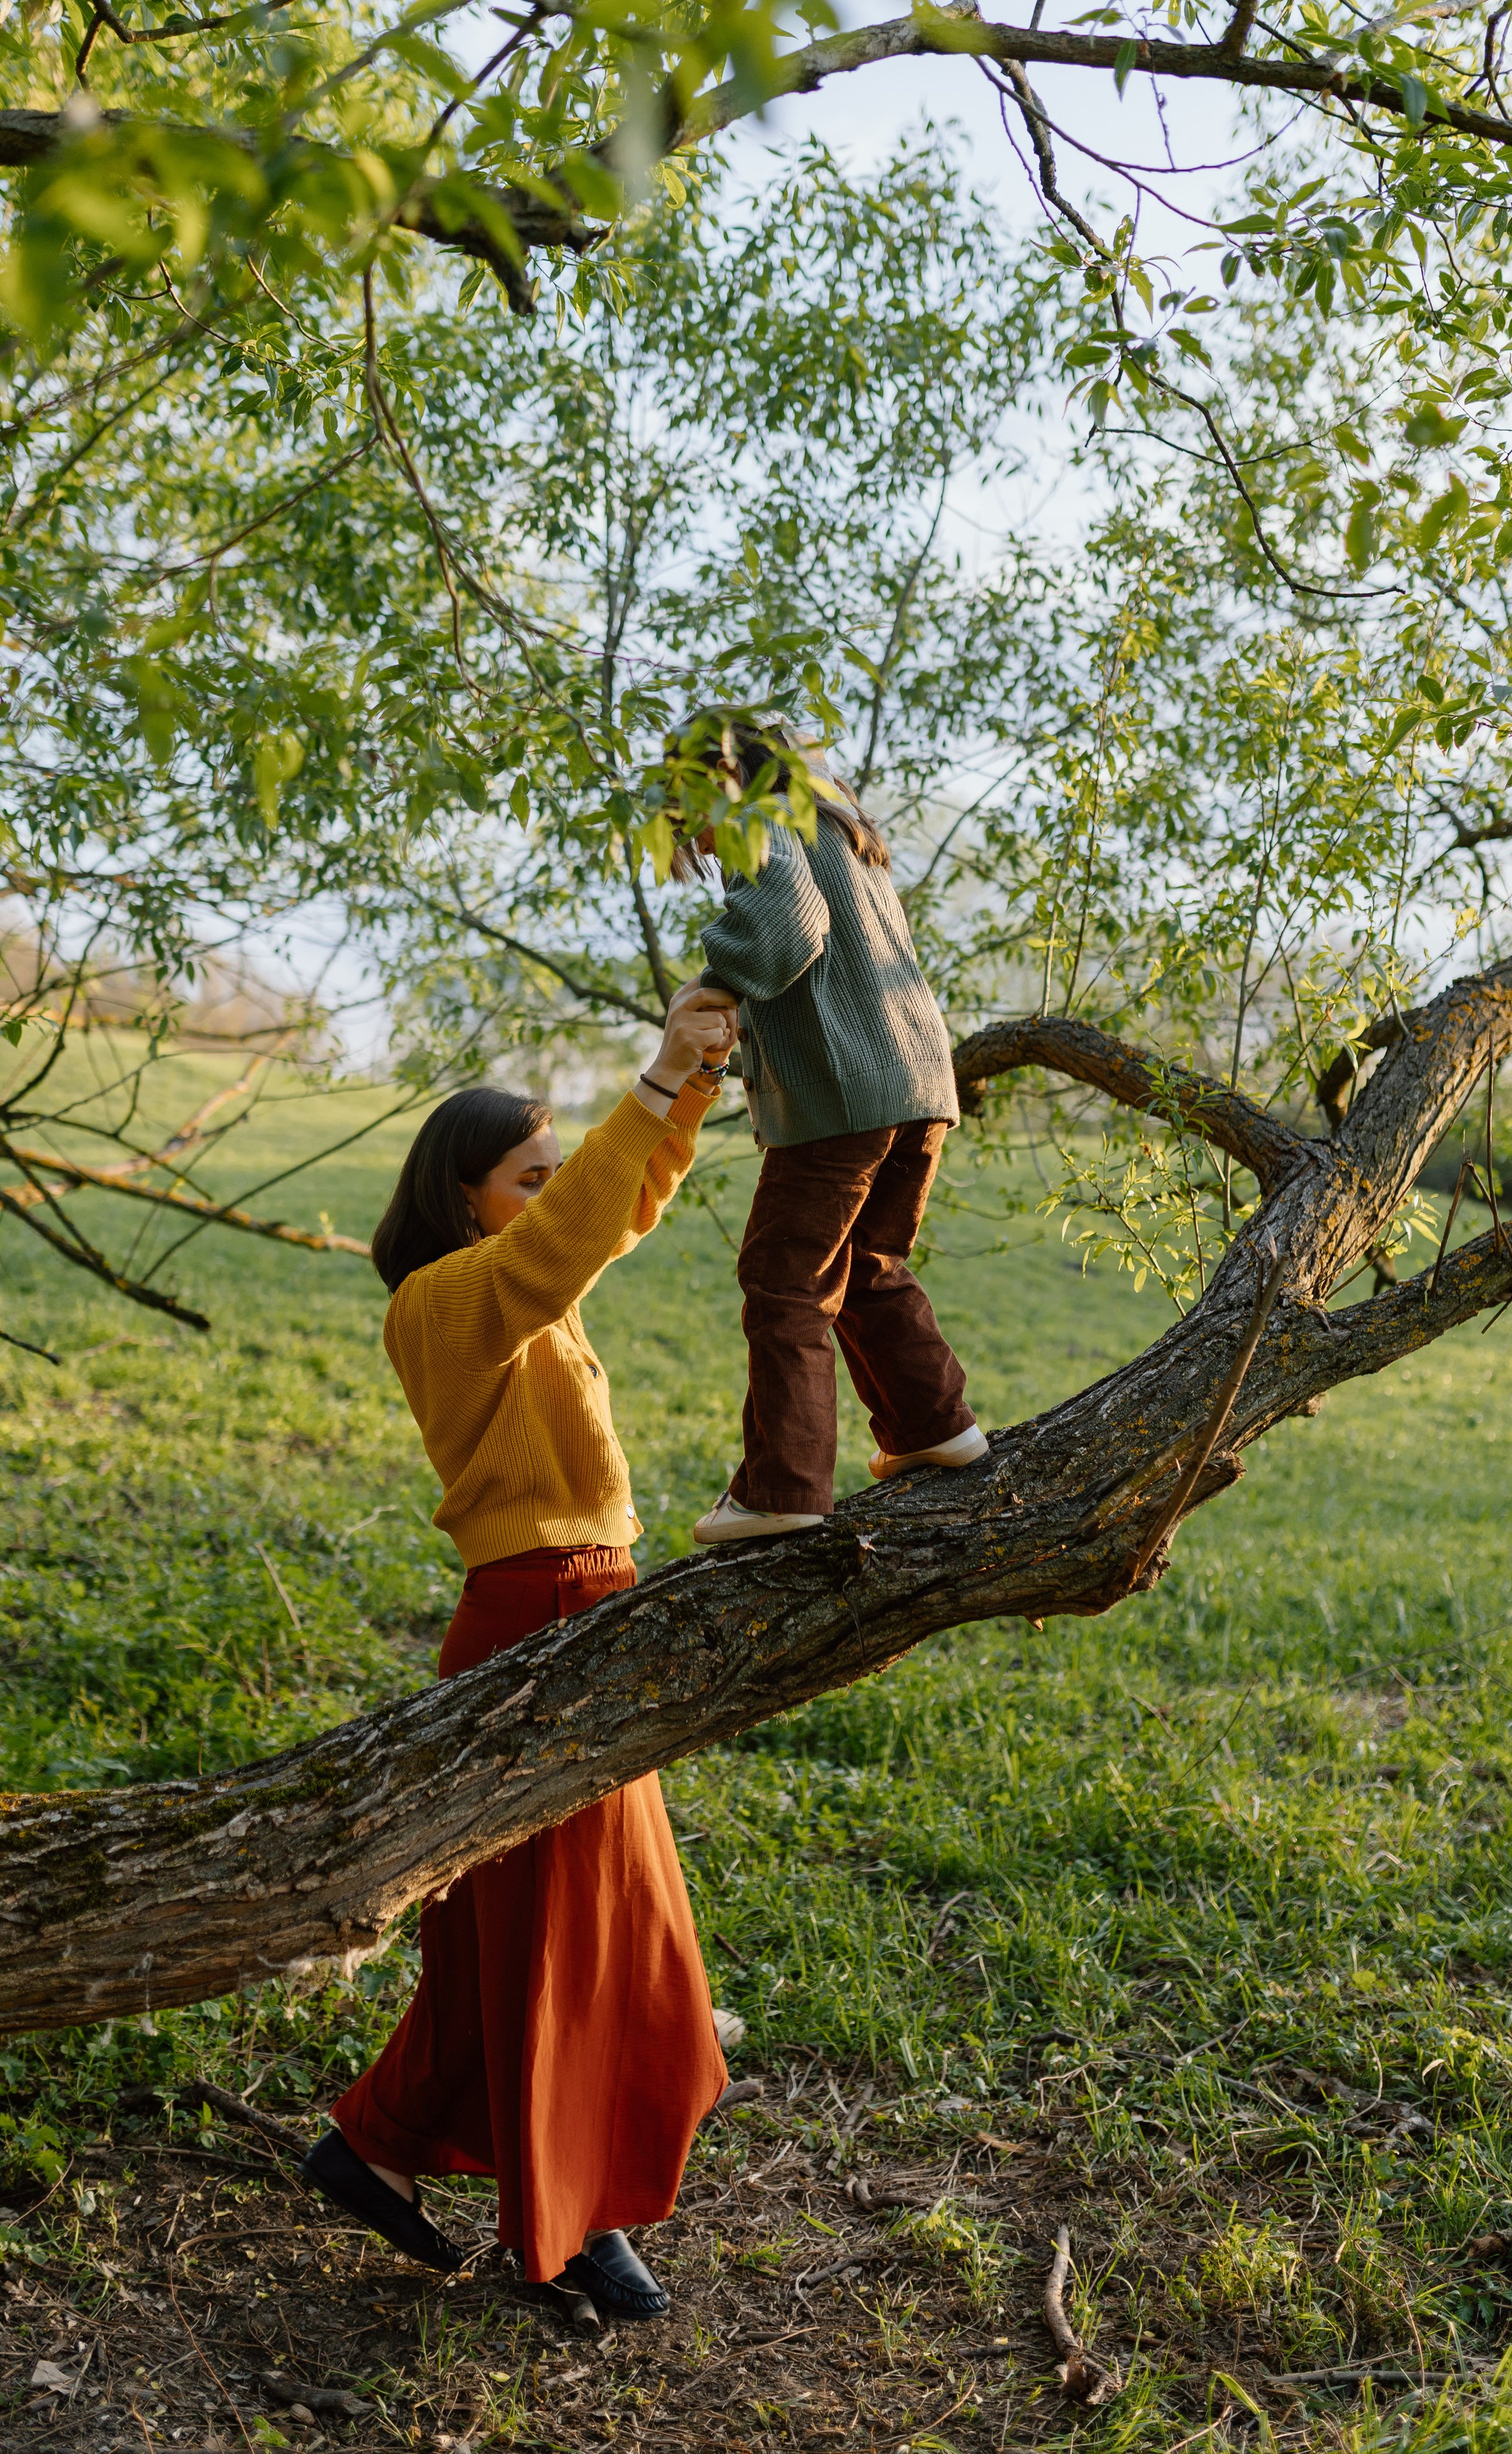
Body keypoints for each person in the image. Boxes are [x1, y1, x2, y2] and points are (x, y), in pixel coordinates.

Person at [303, 980, 738, 2319]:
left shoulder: (520, 1290)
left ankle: (373, 2144)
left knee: (513, 1938)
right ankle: (565, 2225)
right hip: (541, 1615)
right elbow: (573, 1240)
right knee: (583, 1941)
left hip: (581, 1611)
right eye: (528, 1178)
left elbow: (616, 1213)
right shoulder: (449, 1301)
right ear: (465, 1195)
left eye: (556, 1177)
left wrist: (693, 1084)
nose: (552, 1199)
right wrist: (657, 1075)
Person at [672, 714, 989, 1542]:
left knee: (784, 1281)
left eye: (691, 817)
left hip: (847, 1094)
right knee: (866, 1264)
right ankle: (934, 1427)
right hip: (918, 1081)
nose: (701, 846)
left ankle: (784, 1488)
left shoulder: (761, 824)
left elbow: (782, 933)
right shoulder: (835, 827)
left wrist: (711, 990)